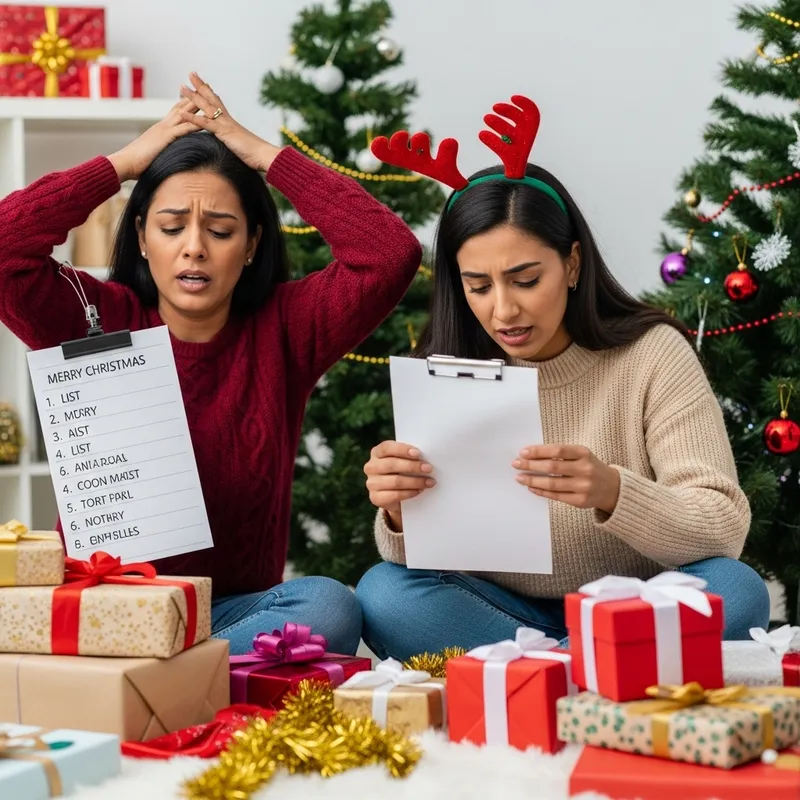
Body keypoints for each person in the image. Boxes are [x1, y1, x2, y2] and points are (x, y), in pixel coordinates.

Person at [0, 74, 422, 656]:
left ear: (250, 246)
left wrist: (263, 155)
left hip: (223, 616)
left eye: (220, 230)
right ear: (143, 238)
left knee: (329, 605)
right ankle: (168, 674)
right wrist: (124, 164)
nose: (194, 246)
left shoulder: (286, 328)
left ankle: (157, 676)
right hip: (105, 603)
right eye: (172, 227)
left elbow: (389, 253)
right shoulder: (89, 314)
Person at [355, 94, 770, 661]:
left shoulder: (652, 354)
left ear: (572, 264)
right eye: (479, 286)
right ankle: (586, 665)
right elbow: (420, 563)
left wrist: (612, 491)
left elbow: (724, 527)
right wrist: (400, 512)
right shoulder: (451, 367)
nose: (503, 311)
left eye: (526, 280)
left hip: (631, 605)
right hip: (505, 613)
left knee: (737, 589)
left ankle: (546, 669)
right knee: (382, 592)